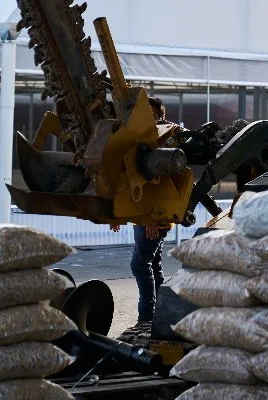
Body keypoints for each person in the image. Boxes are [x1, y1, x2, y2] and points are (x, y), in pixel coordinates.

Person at [111, 97, 172, 346]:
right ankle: (159, 314)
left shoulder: (165, 137)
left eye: (152, 112)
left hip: (155, 216)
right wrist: (117, 214)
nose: (147, 116)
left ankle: (146, 317)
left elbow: (163, 182)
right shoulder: (140, 137)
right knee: (153, 265)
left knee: (140, 264)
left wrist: (153, 218)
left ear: (159, 114)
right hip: (142, 215)